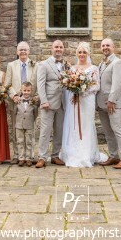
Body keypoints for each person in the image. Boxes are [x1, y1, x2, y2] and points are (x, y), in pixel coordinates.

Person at [59, 42, 108, 167]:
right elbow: (68, 86)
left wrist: (84, 90)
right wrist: (75, 90)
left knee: (86, 125)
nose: (82, 54)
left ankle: (86, 154)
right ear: (77, 54)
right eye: (79, 52)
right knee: (74, 125)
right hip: (74, 101)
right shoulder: (72, 69)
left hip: (87, 101)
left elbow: (97, 85)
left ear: (88, 53)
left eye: (84, 52)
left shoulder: (94, 68)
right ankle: (73, 153)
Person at [97, 38, 121, 169]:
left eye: (108, 45)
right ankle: (113, 155)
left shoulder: (117, 63)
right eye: (103, 45)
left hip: (114, 103)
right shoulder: (102, 63)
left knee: (118, 129)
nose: (105, 47)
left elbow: (117, 84)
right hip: (101, 104)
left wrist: (111, 100)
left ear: (113, 47)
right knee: (108, 131)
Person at [4, 41, 38, 165]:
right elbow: (7, 84)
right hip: (16, 102)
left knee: (30, 130)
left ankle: (30, 156)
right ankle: (17, 155)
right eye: (20, 49)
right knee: (16, 128)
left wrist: (36, 97)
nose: (23, 52)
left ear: (29, 51)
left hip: (31, 103)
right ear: (17, 52)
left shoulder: (35, 65)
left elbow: (38, 83)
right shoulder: (11, 65)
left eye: (25, 49)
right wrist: (13, 95)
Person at [35, 40, 66, 168]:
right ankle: (42, 157)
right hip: (48, 103)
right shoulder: (43, 64)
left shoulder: (65, 65)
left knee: (59, 131)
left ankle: (55, 156)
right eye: (56, 47)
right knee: (45, 131)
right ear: (52, 49)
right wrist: (44, 101)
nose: (58, 49)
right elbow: (40, 84)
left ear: (63, 49)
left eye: (60, 47)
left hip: (62, 103)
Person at [14, 82, 38, 167]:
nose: (26, 92)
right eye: (24, 90)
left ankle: (28, 158)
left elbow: (35, 114)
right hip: (19, 125)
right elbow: (15, 112)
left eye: (28, 90)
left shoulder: (33, 102)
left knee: (29, 141)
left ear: (31, 91)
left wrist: (31, 121)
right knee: (20, 141)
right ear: (21, 90)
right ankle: (21, 158)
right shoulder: (18, 101)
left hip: (29, 124)